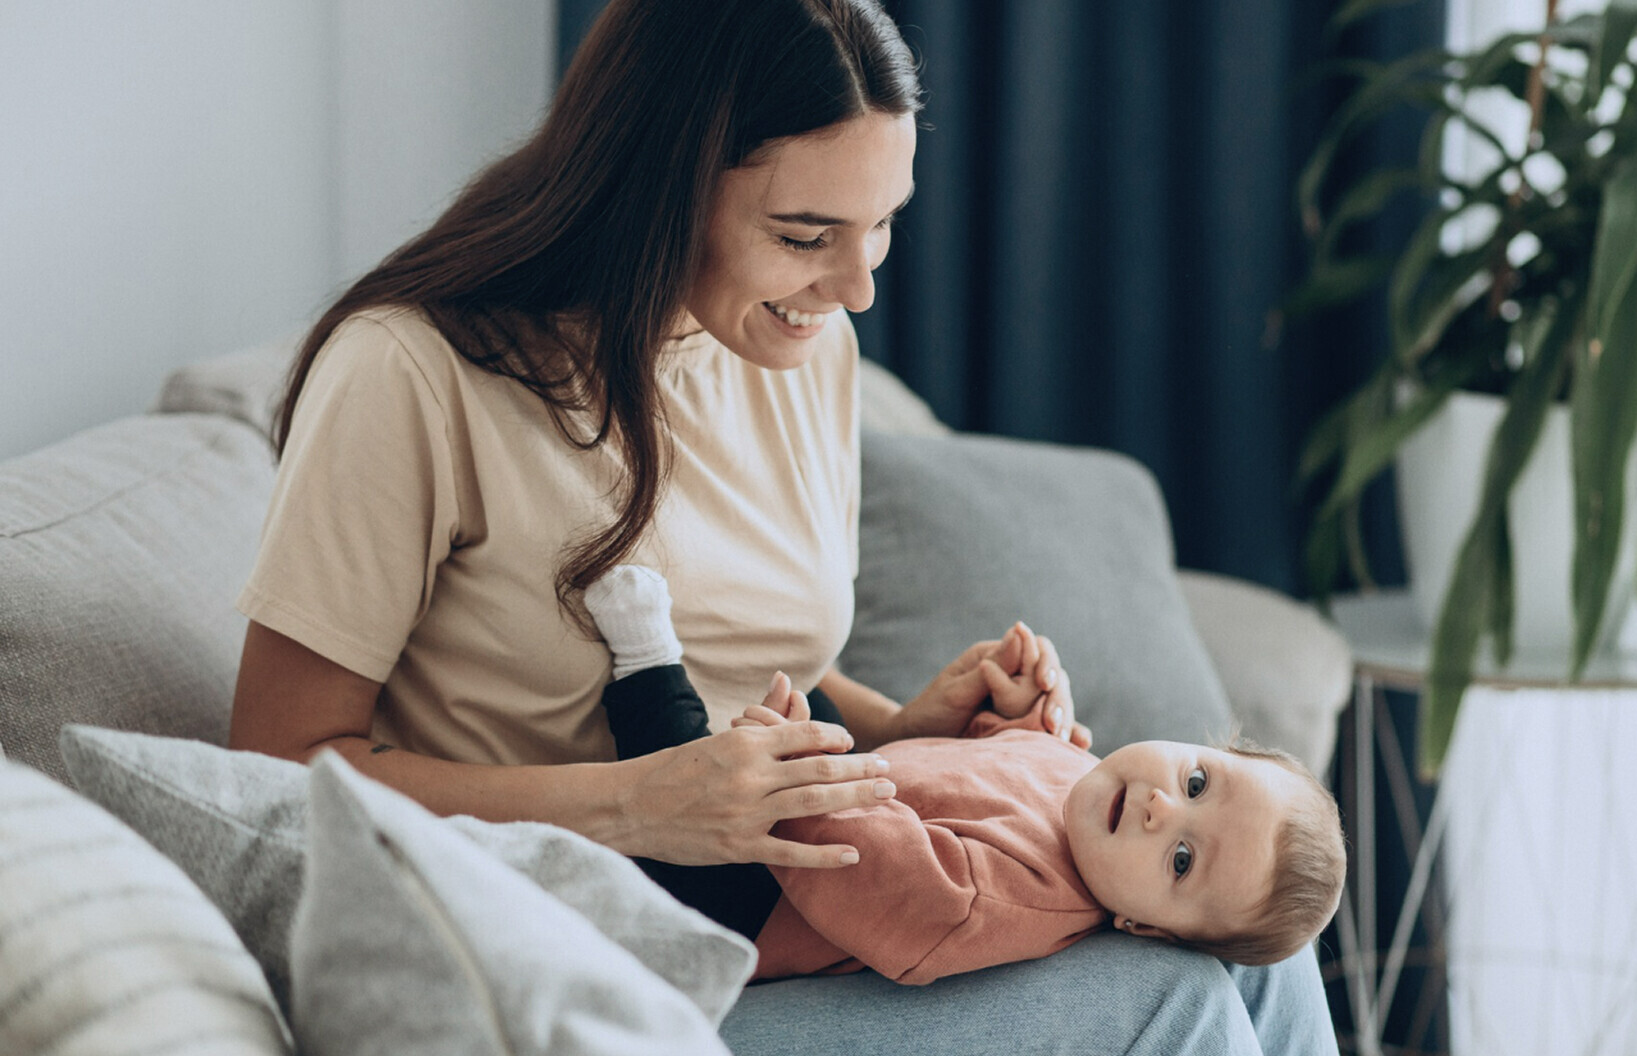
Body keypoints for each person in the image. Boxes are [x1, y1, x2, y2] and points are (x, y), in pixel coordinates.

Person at [225, 1, 1339, 1052]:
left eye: (883, 225)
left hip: (775, 934)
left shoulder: (803, 354)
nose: (856, 288)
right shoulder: (413, 375)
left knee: (1263, 948)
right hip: (562, 963)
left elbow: (746, 658)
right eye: (809, 235)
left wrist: (902, 729)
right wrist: (632, 806)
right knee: (1173, 1002)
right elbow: (279, 767)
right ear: (660, 187)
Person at [584, 564, 1347, 984]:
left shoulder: (1016, 897)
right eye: (1198, 784)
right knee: (812, 708)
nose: (1160, 809)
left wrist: (803, 783)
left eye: (1181, 859)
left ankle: (647, 664)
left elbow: (886, 882)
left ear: (1142, 928)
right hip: (833, 806)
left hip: (760, 899)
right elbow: (991, 774)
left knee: (695, 802)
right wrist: (1012, 712)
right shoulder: (1083, 776)